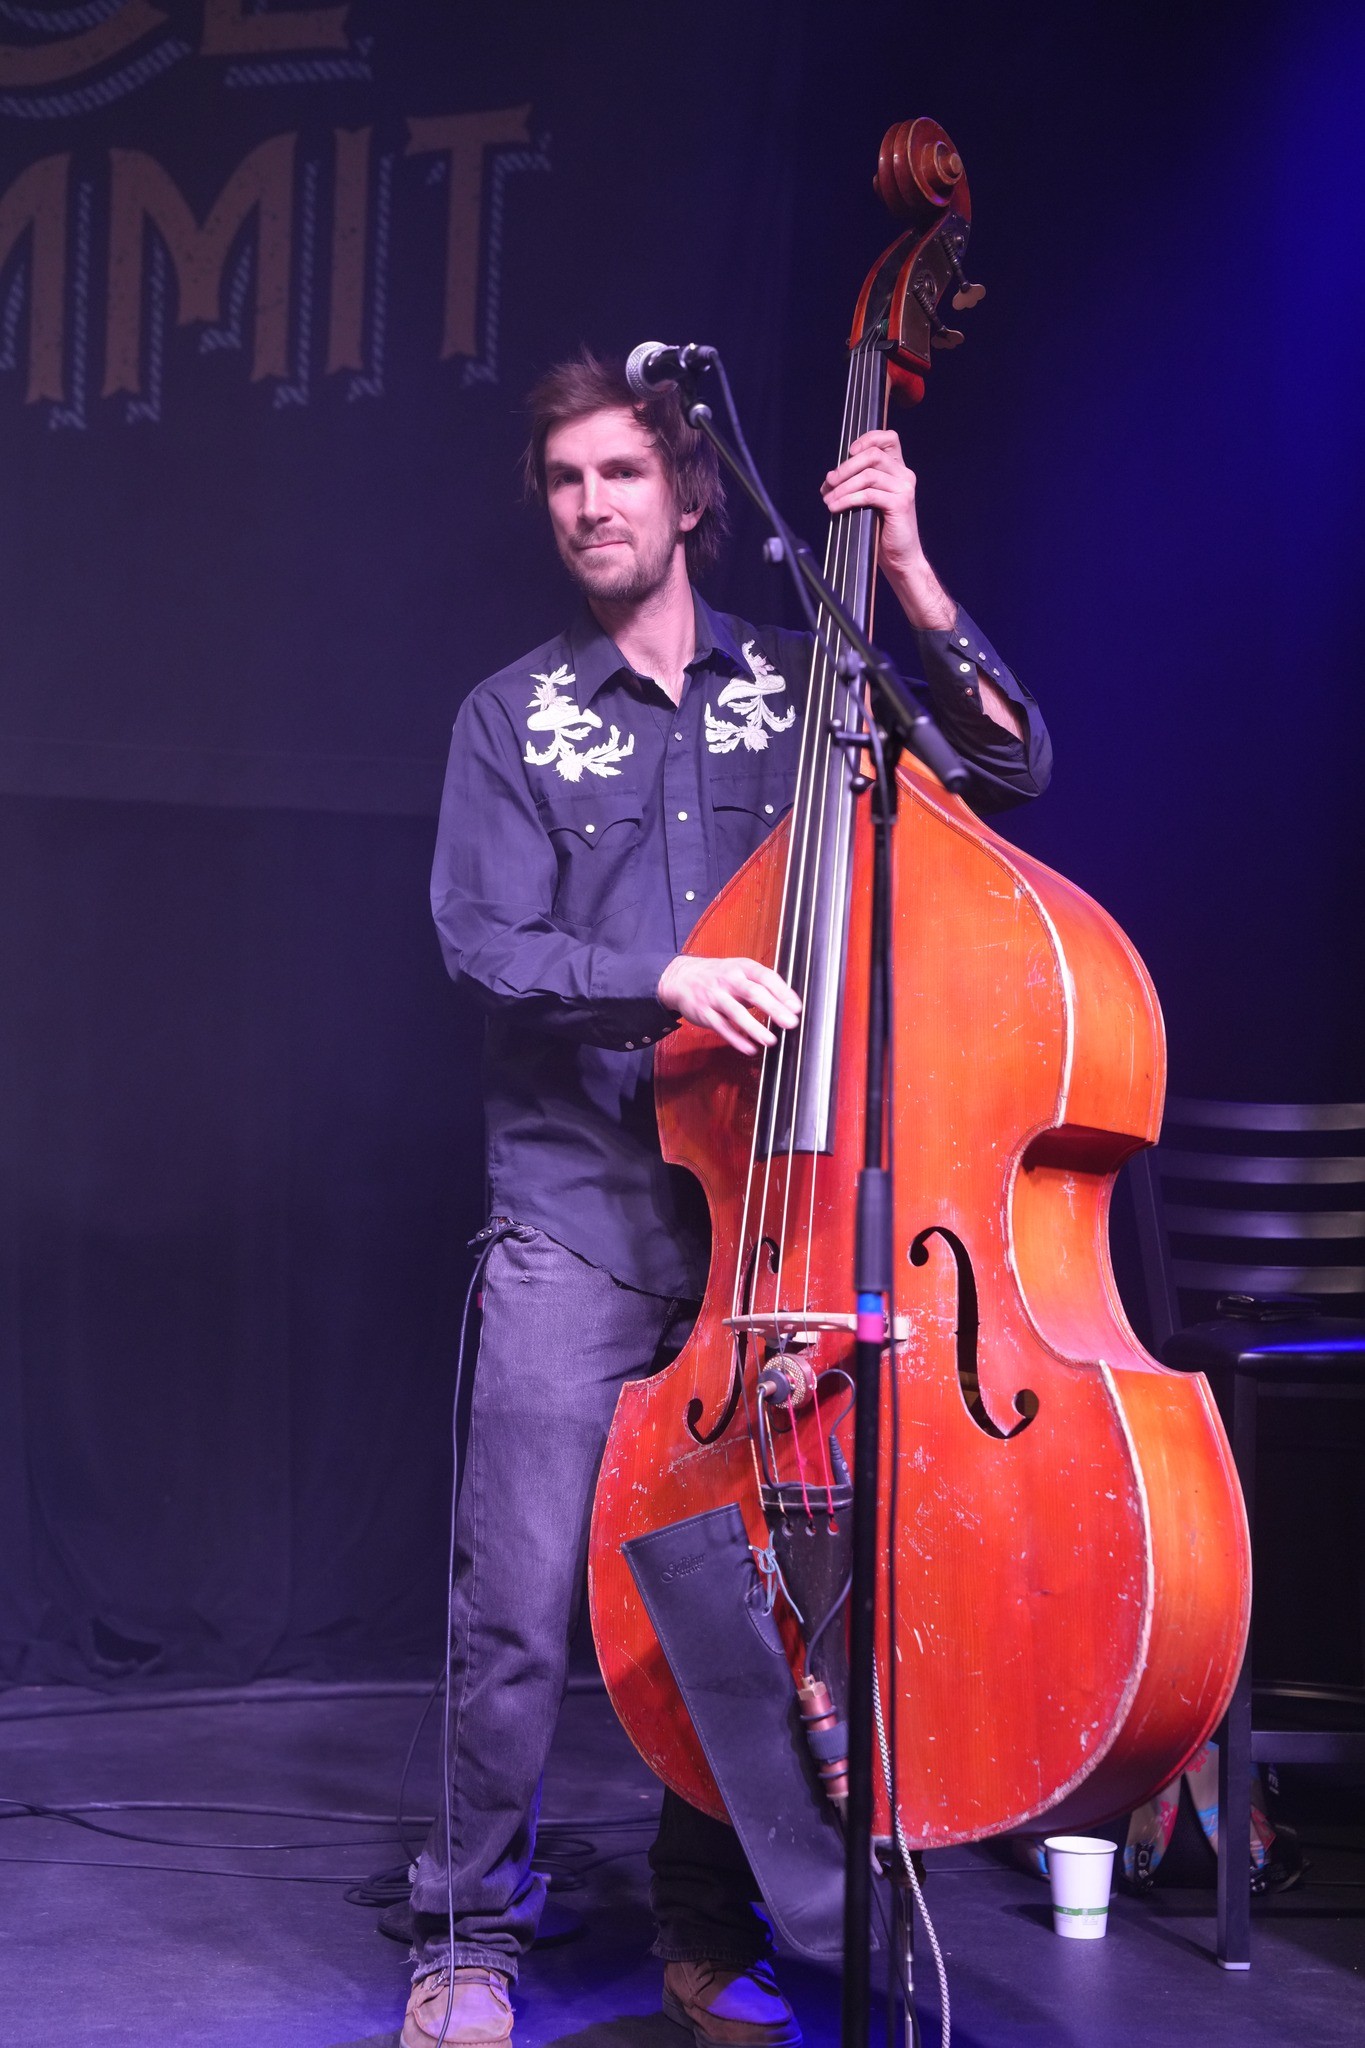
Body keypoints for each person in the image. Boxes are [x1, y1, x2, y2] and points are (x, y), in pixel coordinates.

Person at [408, 350, 1051, 2048]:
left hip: (765, 1229)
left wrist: (906, 572)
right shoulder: (512, 716)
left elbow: (1009, 770)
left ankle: (705, 1932)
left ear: (690, 493)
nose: (591, 505)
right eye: (565, 481)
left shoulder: (810, 686)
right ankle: (465, 1937)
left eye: (621, 472)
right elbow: (483, 944)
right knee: (516, 1602)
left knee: (745, 1602)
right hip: (577, 1217)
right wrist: (668, 979)